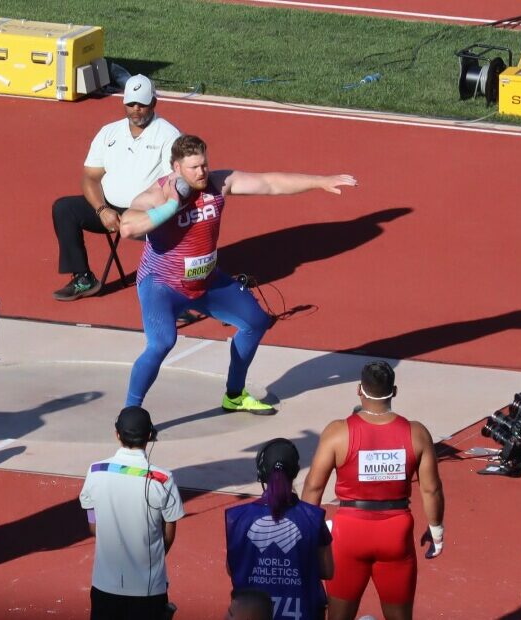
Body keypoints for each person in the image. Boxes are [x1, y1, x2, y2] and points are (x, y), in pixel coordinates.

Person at [120, 134, 357, 411]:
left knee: (256, 322)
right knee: (162, 343)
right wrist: (172, 205)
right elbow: (128, 228)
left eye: (204, 164)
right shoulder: (156, 195)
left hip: (206, 282)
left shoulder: (218, 184)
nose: (202, 172)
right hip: (162, 286)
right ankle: (130, 413)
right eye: (194, 167)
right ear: (176, 169)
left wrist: (320, 181)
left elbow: (270, 183)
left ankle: (234, 395)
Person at [302, 361, 446, 620]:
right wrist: (436, 529)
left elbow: (313, 488)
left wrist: (307, 536)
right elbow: (431, 489)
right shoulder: (416, 433)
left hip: (349, 533)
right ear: (395, 391)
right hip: (395, 533)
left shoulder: (338, 432)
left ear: (359, 390)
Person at [52, 74, 181, 301]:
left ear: (153, 102)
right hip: (109, 210)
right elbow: (90, 178)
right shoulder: (108, 132)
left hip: (147, 214)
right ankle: (83, 278)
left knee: (171, 231)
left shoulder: (168, 134)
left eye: (142, 104)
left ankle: (172, 293)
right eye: (131, 104)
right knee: (64, 209)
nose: (136, 109)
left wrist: (150, 213)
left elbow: (172, 183)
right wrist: (102, 210)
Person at [79, 406, 185, 619]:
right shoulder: (163, 479)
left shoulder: (95, 470)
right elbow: (169, 534)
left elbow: (92, 521)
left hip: (103, 588)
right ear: (149, 436)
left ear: (117, 434)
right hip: (148, 591)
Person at [225, 438, 333, 620]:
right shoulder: (313, 517)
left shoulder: (237, 517)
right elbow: (327, 571)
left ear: (260, 474)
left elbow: (232, 568)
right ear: (296, 472)